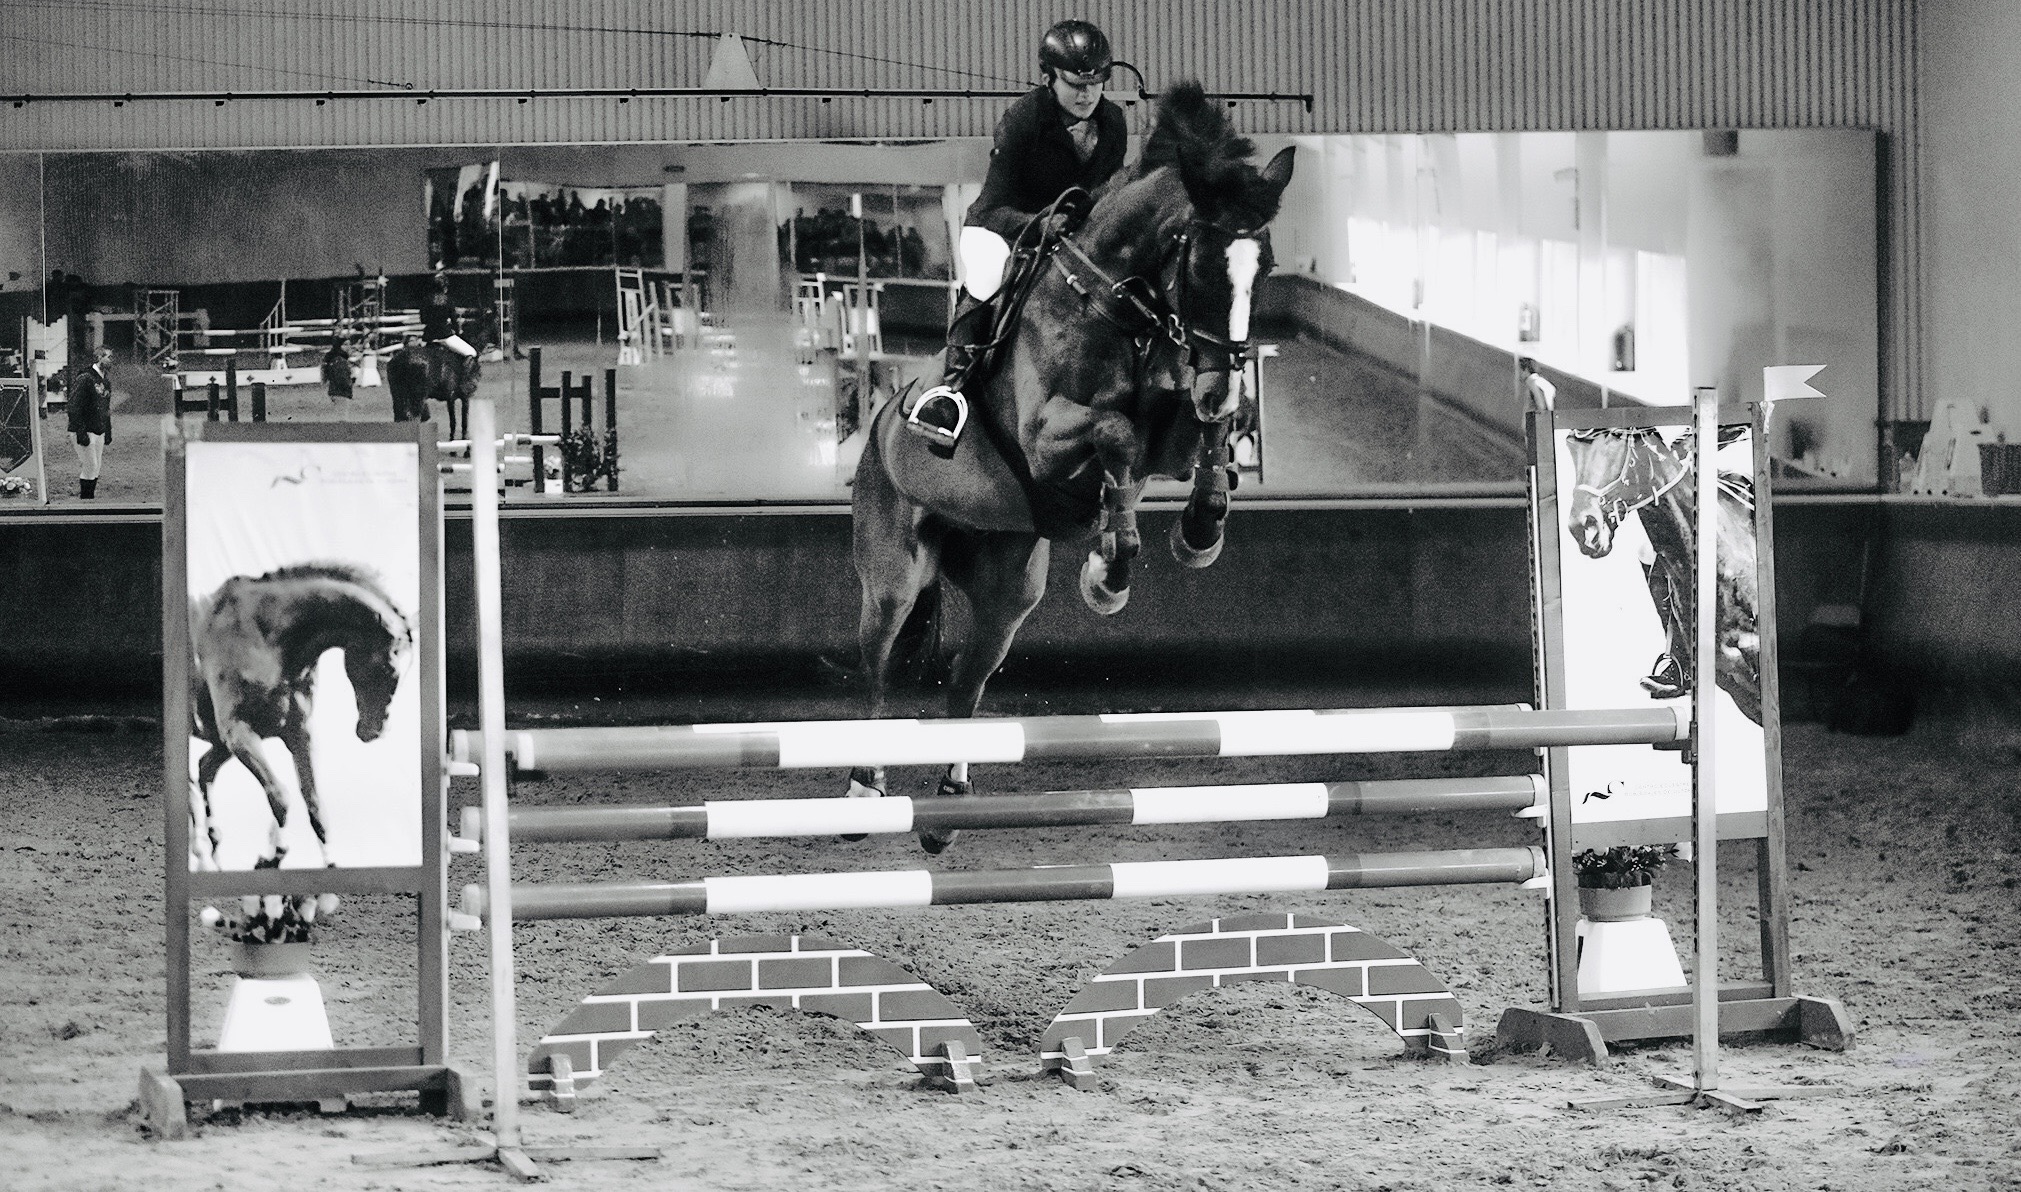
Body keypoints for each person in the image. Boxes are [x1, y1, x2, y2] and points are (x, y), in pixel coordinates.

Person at [903, 19, 1129, 454]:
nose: (1086, 95)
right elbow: (999, 199)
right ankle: (951, 390)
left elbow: (1107, 190)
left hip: (1069, 238)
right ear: (1049, 77)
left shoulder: (1113, 122)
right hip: (1001, 227)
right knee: (987, 278)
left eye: (1096, 83)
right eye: (1074, 84)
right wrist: (1039, 223)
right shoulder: (1023, 119)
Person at [67, 344, 113, 499]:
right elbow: (73, 405)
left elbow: (105, 409)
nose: (111, 360)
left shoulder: (105, 381)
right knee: (90, 465)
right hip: (85, 429)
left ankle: (89, 499)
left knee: (96, 467)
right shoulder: (85, 378)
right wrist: (80, 431)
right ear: (99, 357)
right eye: (109, 357)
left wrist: (108, 430)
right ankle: (85, 500)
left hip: (98, 429)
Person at [420, 273, 477, 359]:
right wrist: (458, 333)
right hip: (445, 336)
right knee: (472, 353)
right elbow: (454, 320)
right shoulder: (449, 301)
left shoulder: (425, 300)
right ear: (444, 287)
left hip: (428, 337)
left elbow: (423, 320)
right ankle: (463, 372)